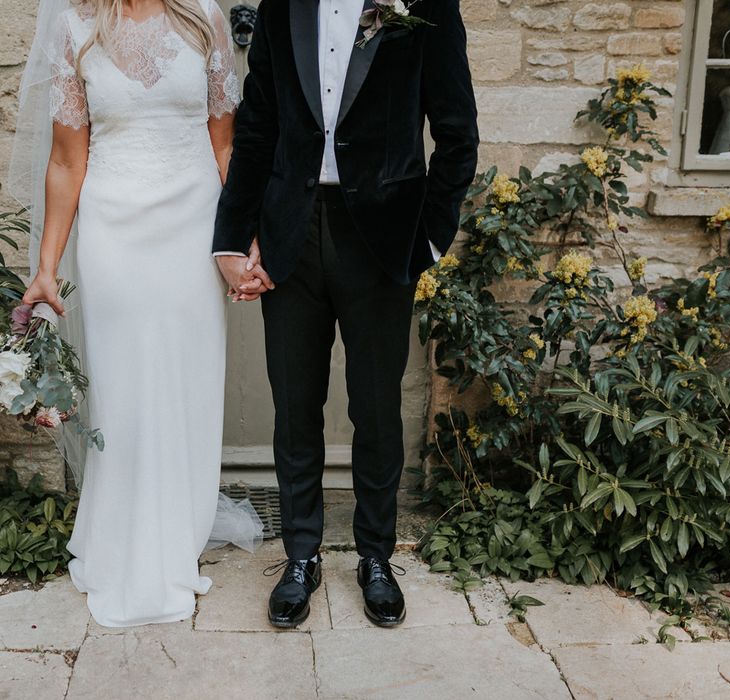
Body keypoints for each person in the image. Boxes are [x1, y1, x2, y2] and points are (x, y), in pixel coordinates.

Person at [214, 0, 479, 628]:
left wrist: (432, 238)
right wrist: (231, 237)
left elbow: (457, 128)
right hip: (291, 237)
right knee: (294, 404)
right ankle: (300, 556)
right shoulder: (284, 5)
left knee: (376, 409)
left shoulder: (426, 3)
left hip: (384, 242)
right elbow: (256, 127)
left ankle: (375, 556)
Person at [19, 0, 252, 627]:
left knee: (188, 380)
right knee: (123, 389)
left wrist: (242, 241)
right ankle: (124, 540)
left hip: (193, 225)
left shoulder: (205, 16)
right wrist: (46, 267)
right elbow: (68, 159)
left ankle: (177, 532)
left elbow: (224, 140)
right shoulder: (76, 25)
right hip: (112, 231)